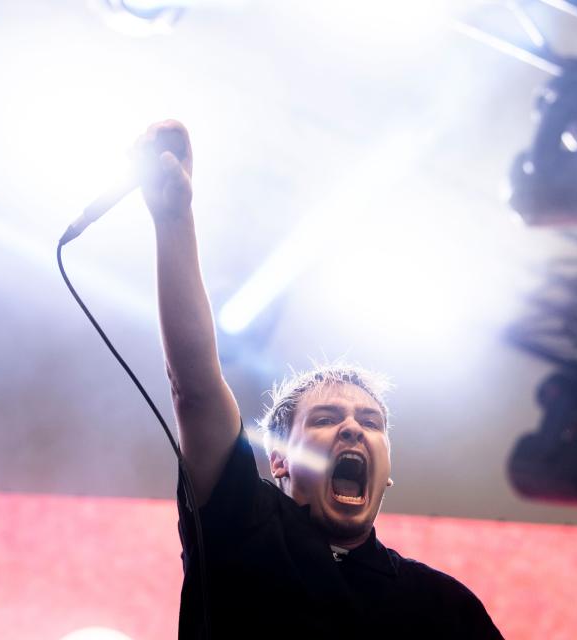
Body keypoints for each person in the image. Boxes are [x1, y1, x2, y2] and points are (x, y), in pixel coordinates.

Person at [139, 119, 503, 639]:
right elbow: (193, 391)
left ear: (388, 473)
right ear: (280, 458)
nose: (354, 429)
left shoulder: (443, 607)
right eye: (328, 418)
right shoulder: (241, 524)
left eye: (371, 422)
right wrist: (174, 220)